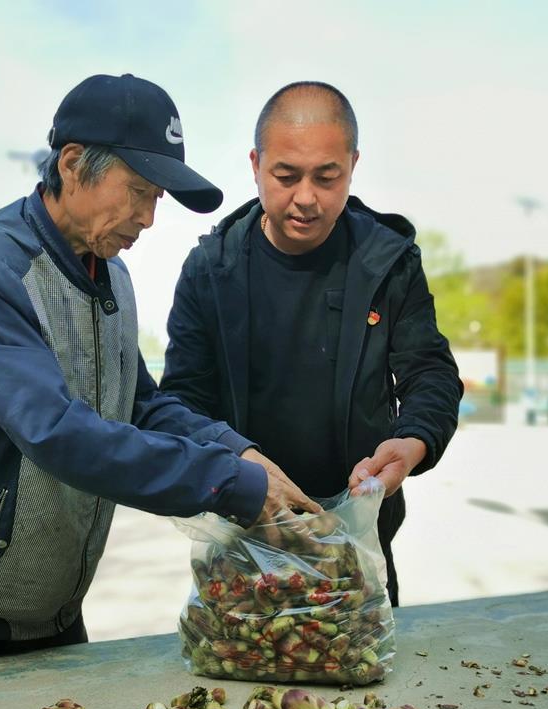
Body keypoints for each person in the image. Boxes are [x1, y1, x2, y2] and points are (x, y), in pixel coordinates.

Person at [0, 74, 321, 667]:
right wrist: (228, 485)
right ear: (71, 163)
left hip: (51, 604)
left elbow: (138, 404)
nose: (149, 217)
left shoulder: (109, 272)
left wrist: (236, 451)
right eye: (137, 190)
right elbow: (55, 433)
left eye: (157, 198)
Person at [160, 81, 463, 606]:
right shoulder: (212, 270)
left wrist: (414, 440)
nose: (306, 197)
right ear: (256, 165)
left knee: (365, 656)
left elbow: (430, 372)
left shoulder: (387, 262)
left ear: (353, 166)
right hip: (241, 545)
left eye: (327, 177)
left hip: (357, 544)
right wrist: (235, 460)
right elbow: (181, 401)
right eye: (286, 176)